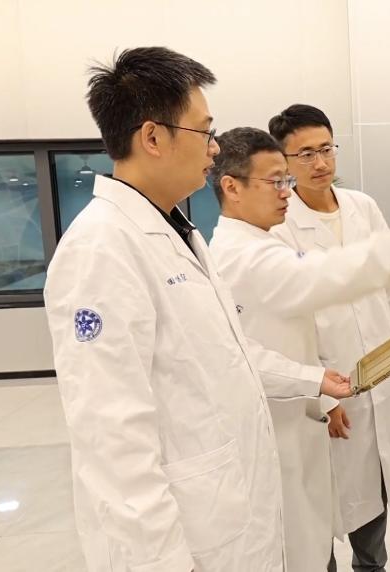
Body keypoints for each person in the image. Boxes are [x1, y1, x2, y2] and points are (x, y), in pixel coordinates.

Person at [43, 47, 350, 572]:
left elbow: (229, 356)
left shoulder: (179, 234)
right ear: (153, 137)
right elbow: (112, 438)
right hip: (182, 542)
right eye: (204, 132)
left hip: (230, 518)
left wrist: (312, 378)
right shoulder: (101, 250)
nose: (214, 148)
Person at [206, 127, 390, 571]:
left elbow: (380, 288)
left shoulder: (256, 241)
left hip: (315, 404)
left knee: (344, 513)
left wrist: (319, 378)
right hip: (287, 427)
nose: (286, 191)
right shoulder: (245, 254)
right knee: (311, 537)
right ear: (232, 187)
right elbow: (332, 274)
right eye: (277, 180)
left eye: (286, 180)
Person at [268, 104, 390, 571]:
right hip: (326, 383)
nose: (320, 162)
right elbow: (288, 322)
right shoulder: (280, 225)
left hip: (377, 372)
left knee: (376, 485)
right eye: (305, 154)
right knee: (327, 500)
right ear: (284, 161)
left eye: (326, 149)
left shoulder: (362, 207)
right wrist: (323, 398)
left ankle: (371, 566)